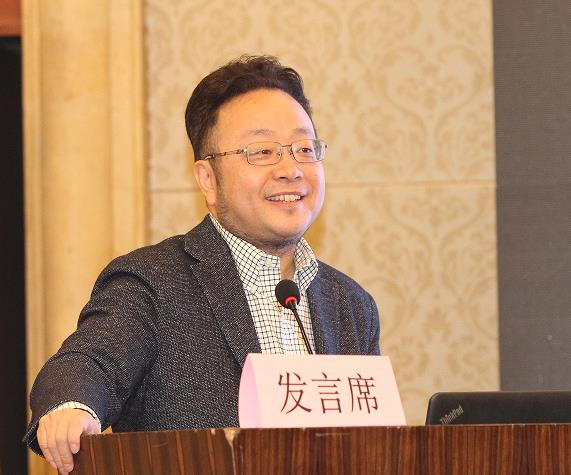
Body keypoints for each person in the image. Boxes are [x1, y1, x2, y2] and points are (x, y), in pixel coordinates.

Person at [24, 55, 380, 475]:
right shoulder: (152, 283)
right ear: (208, 180)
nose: (290, 170)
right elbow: (89, 361)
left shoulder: (350, 304)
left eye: (304, 149)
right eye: (262, 152)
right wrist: (71, 407)